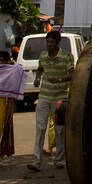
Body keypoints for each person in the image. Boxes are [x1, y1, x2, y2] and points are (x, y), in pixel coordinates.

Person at [28, 30, 73, 173]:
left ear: (58, 43)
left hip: (60, 96)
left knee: (60, 130)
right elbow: (40, 68)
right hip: (44, 96)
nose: (49, 45)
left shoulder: (66, 57)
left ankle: (59, 160)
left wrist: (59, 79)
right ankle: (37, 161)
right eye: (48, 42)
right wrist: (37, 78)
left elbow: (72, 75)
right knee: (40, 128)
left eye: (52, 42)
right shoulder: (43, 55)